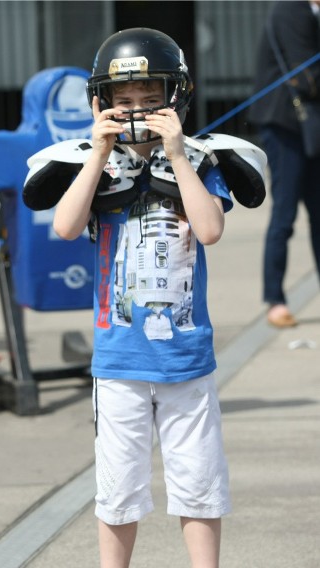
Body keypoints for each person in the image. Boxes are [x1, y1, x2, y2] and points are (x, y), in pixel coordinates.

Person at [51, 29, 232, 567]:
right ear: (101, 103)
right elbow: (64, 227)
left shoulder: (197, 164)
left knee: (198, 481)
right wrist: (99, 148)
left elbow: (211, 229)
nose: (136, 114)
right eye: (123, 103)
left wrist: (176, 155)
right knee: (119, 487)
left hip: (186, 359)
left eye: (151, 103)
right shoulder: (100, 169)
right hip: (120, 360)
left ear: (176, 100)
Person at [247, 1, 320, 328]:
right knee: (285, 213)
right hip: (284, 125)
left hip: (309, 126)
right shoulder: (291, 9)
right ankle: (275, 299)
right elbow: (306, 78)